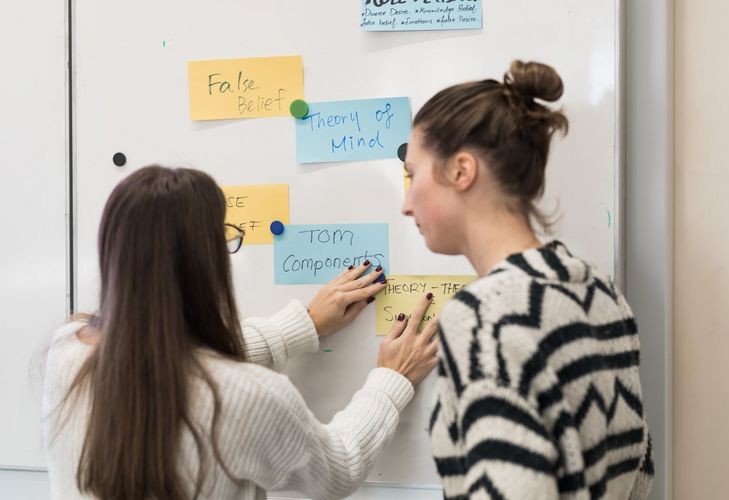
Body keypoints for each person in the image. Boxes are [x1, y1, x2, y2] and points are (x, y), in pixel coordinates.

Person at [43, 166, 438, 500]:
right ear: (206, 261)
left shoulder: (67, 350)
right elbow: (340, 465)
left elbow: (169, 359)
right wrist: (392, 378)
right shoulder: (249, 397)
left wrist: (305, 324)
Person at [402, 60, 654, 499]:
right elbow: (638, 472)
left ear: (461, 170)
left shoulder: (485, 316)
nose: (406, 204)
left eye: (412, 175)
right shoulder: (601, 293)